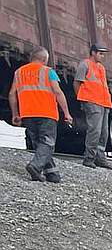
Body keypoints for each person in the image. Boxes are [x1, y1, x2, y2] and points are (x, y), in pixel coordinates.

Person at [9, 47, 73, 183]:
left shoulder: (19, 72)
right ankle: (35, 166)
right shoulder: (48, 72)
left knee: (40, 145)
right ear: (44, 59)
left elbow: (12, 94)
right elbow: (58, 92)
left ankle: (52, 174)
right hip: (46, 113)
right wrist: (67, 113)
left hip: (27, 114)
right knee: (48, 143)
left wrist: (15, 113)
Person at [74, 43, 112, 170]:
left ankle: (100, 157)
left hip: (103, 103)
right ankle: (89, 158)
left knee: (103, 132)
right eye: (100, 53)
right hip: (92, 102)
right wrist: (82, 99)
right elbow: (76, 83)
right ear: (93, 52)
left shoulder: (101, 68)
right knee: (95, 131)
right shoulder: (85, 64)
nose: (102, 56)